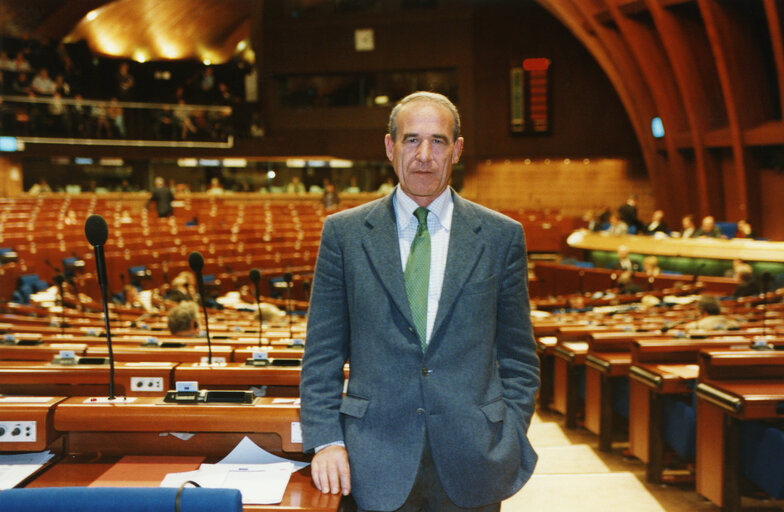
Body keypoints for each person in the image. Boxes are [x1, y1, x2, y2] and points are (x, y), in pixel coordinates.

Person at [300, 91, 539, 511]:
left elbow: (519, 355)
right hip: (371, 459)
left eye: (438, 141)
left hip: (474, 461)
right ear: (390, 147)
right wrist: (327, 440)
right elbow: (322, 353)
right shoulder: (344, 234)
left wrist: (510, 432)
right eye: (412, 140)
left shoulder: (502, 236)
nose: (424, 155)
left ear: (458, 150)